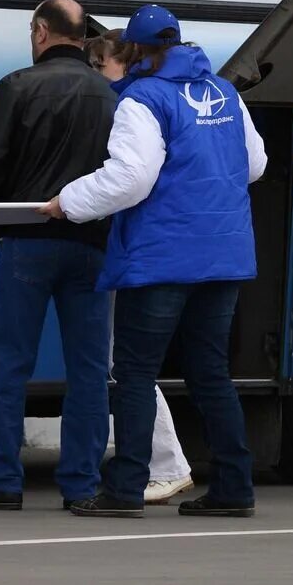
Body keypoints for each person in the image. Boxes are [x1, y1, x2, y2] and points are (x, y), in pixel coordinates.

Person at [44, 6, 267, 518]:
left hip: (163, 257)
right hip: (225, 255)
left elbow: (131, 178)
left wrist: (68, 203)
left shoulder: (144, 98)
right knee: (210, 372)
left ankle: (124, 489)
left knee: (136, 373)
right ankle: (235, 488)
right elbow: (255, 164)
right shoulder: (226, 93)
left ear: (136, 51)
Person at [0, 0, 118, 513]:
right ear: (80, 36)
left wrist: (4, 234)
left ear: (41, 32)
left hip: (27, 241)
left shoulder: (15, 86)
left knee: (10, 364)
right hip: (91, 243)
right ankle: (81, 484)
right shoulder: (109, 94)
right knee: (88, 369)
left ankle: (0, 480)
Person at [86, 33, 195, 504]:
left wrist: (69, 202)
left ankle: (165, 463)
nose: (95, 73)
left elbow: (129, 179)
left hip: (139, 249)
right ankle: (158, 461)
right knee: (128, 363)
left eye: (100, 63)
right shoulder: (154, 101)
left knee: (128, 363)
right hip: (146, 247)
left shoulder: (133, 105)